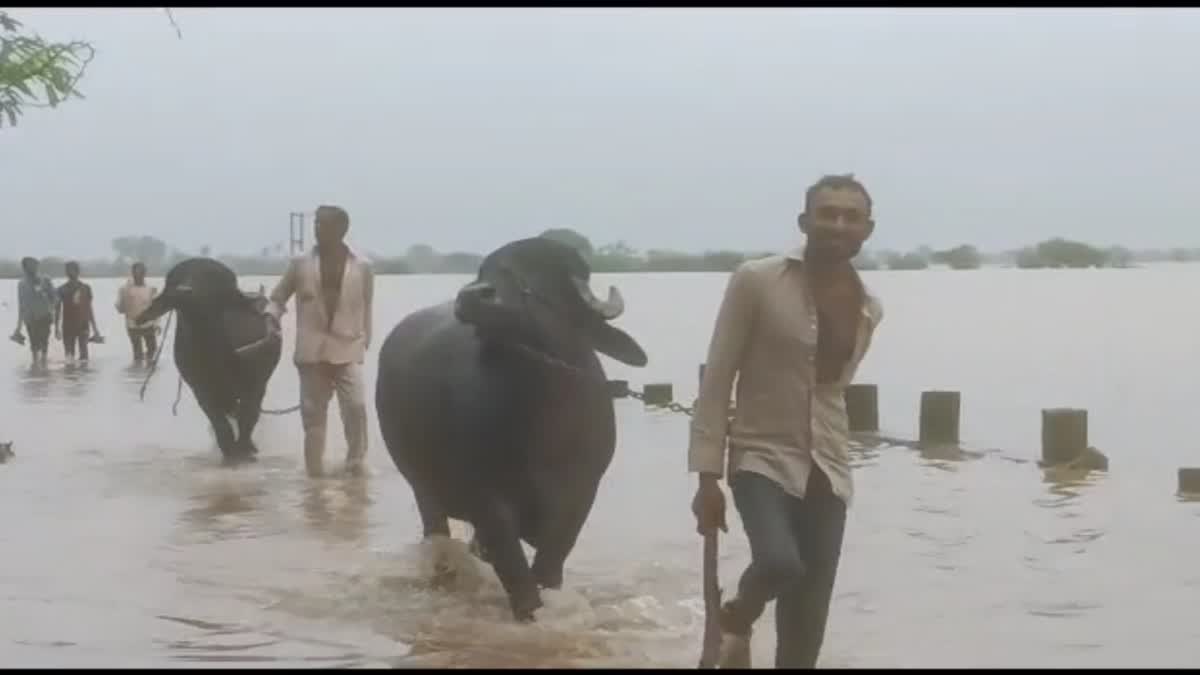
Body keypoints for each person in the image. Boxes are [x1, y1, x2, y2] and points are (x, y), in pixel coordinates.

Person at [689, 174, 885, 669]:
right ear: (805, 222)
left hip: (830, 467)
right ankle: (737, 615)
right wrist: (707, 478)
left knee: (808, 619)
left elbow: (832, 392)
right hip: (761, 456)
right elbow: (717, 378)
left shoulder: (868, 307)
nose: (838, 224)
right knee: (779, 562)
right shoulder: (756, 280)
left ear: (867, 229)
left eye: (851, 216)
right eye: (827, 213)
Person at [268, 204, 374, 478]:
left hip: (347, 346)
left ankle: (355, 464)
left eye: (323, 225)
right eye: (316, 224)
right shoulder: (300, 263)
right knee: (313, 414)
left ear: (341, 229)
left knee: (356, 405)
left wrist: (365, 338)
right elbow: (278, 297)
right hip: (311, 352)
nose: (317, 229)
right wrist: (272, 318)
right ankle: (314, 474)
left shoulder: (362, 266)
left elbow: (367, 304)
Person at [10, 257, 57, 365]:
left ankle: (44, 364)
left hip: (45, 316)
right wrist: (18, 327)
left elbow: (55, 298)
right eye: (29, 266)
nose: (33, 268)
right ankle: (35, 364)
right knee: (34, 344)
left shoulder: (45, 280)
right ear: (24, 268)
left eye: (35, 265)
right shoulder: (21, 284)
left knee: (44, 342)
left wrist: (51, 310)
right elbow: (21, 305)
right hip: (30, 318)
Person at [55, 260, 103, 363]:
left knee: (84, 357)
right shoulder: (61, 290)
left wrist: (95, 329)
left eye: (72, 270)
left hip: (83, 325)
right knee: (69, 357)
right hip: (67, 326)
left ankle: (83, 376)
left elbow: (89, 308)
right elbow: (57, 310)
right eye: (67, 271)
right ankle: (70, 376)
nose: (69, 273)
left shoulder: (86, 288)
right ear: (66, 273)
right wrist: (56, 328)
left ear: (78, 272)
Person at [115, 261, 160, 362]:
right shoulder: (124, 289)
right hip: (132, 325)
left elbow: (156, 309)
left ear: (145, 273)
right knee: (137, 353)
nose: (139, 275)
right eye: (136, 272)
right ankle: (137, 371)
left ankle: (146, 371)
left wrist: (157, 324)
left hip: (148, 325)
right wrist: (124, 294)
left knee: (153, 350)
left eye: (141, 272)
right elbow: (120, 309)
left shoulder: (151, 289)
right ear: (132, 273)